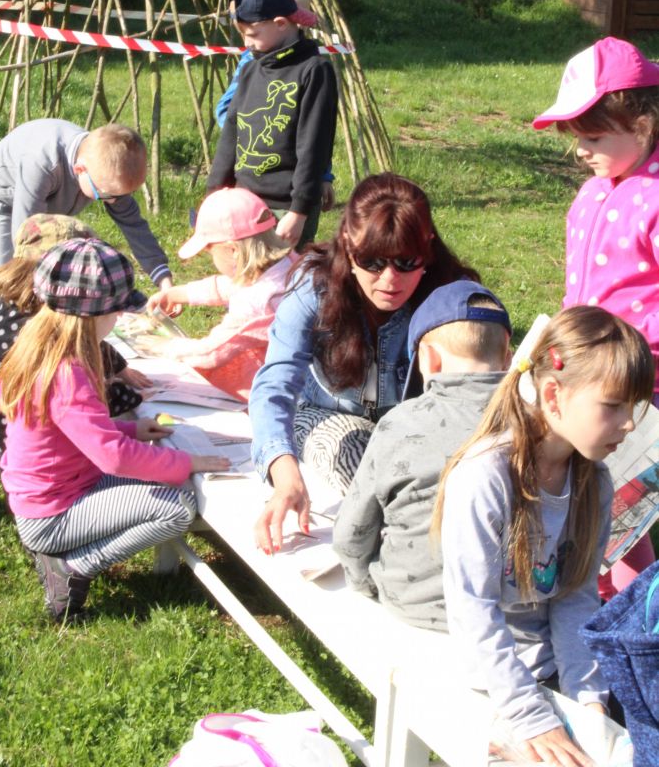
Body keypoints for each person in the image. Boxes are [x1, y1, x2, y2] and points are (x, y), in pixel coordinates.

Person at [430, 305, 655, 766]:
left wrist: (588, 701)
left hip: (548, 670)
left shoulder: (595, 482)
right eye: (613, 405)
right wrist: (534, 719)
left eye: (633, 406)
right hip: (489, 676)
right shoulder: (484, 477)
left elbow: (575, 596)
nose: (629, 423)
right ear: (553, 394)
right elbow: (474, 612)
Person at [0, 237, 229, 623]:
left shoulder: (39, 350)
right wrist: (187, 462)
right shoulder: (68, 373)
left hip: (53, 493)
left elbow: (75, 432)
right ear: (90, 316)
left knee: (163, 484)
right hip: (52, 515)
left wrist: (132, 430)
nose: (119, 317)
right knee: (176, 508)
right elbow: (114, 458)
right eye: (116, 310)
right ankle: (73, 567)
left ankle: (65, 559)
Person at [249, 172, 480, 553]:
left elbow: (479, 393)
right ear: (347, 247)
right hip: (328, 417)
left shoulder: (453, 297)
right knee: (365, 470)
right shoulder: (314, 288)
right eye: (372, 261)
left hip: (418, 430)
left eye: (406, 261)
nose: (390, 279)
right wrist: (284, 473)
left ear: (428, 249)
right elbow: (274, 383)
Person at [533, 35, 659, 596]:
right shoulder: (590, 194)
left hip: (639, 384)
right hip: (584, 370)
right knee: (591, 493)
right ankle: (599, 597)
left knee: (626, 508)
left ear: (642, 124)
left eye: (593, 137)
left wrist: (632, 349)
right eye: (576, 138)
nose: (581, 150)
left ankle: (630, 613)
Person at [333, 279, 511, 628]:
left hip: (413, 605)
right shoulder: (538, 423)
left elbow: (351, 532)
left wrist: (362, 583)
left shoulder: (400, 423)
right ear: (508, 357)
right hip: (508, 612)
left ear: (428, 358)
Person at [0, 214, 151, 463]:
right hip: (43, 460)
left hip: (28, 452)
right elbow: (74, 402)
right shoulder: (28, 329)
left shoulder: (18, 302)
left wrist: (119, 367)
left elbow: (81, 342)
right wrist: (130, 398)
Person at [0, 120, 174, 333]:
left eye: (120, 196)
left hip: (49, 208)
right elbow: (28, 234)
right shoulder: (43, 163)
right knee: (0, 278)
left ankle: (39, 338)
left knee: (52, 285)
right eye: (106, 196)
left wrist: (164, 282)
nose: (113, 201)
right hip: (4, 201)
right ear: (80, 169)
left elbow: (134, 225)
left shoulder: (105, 173)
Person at [206, 0, 338, 250]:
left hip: (284, 208)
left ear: (280, 24)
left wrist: (299, 211)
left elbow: (314, 146)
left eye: (252, 34)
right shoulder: (250, 69)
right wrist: (215, 194)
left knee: (282, 275)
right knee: (242, 272)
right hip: (243, 202)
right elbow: (231, 133)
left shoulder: (314, 71)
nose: (247, 43)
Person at [146, 188, 297, 401]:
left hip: (282, 391)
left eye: (211, 254)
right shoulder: (289, 265)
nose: (212, 261)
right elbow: (231, 286)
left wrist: (164, 347)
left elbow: (210, 353)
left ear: (232, 250)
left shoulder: (256, 301)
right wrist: (178, 294)